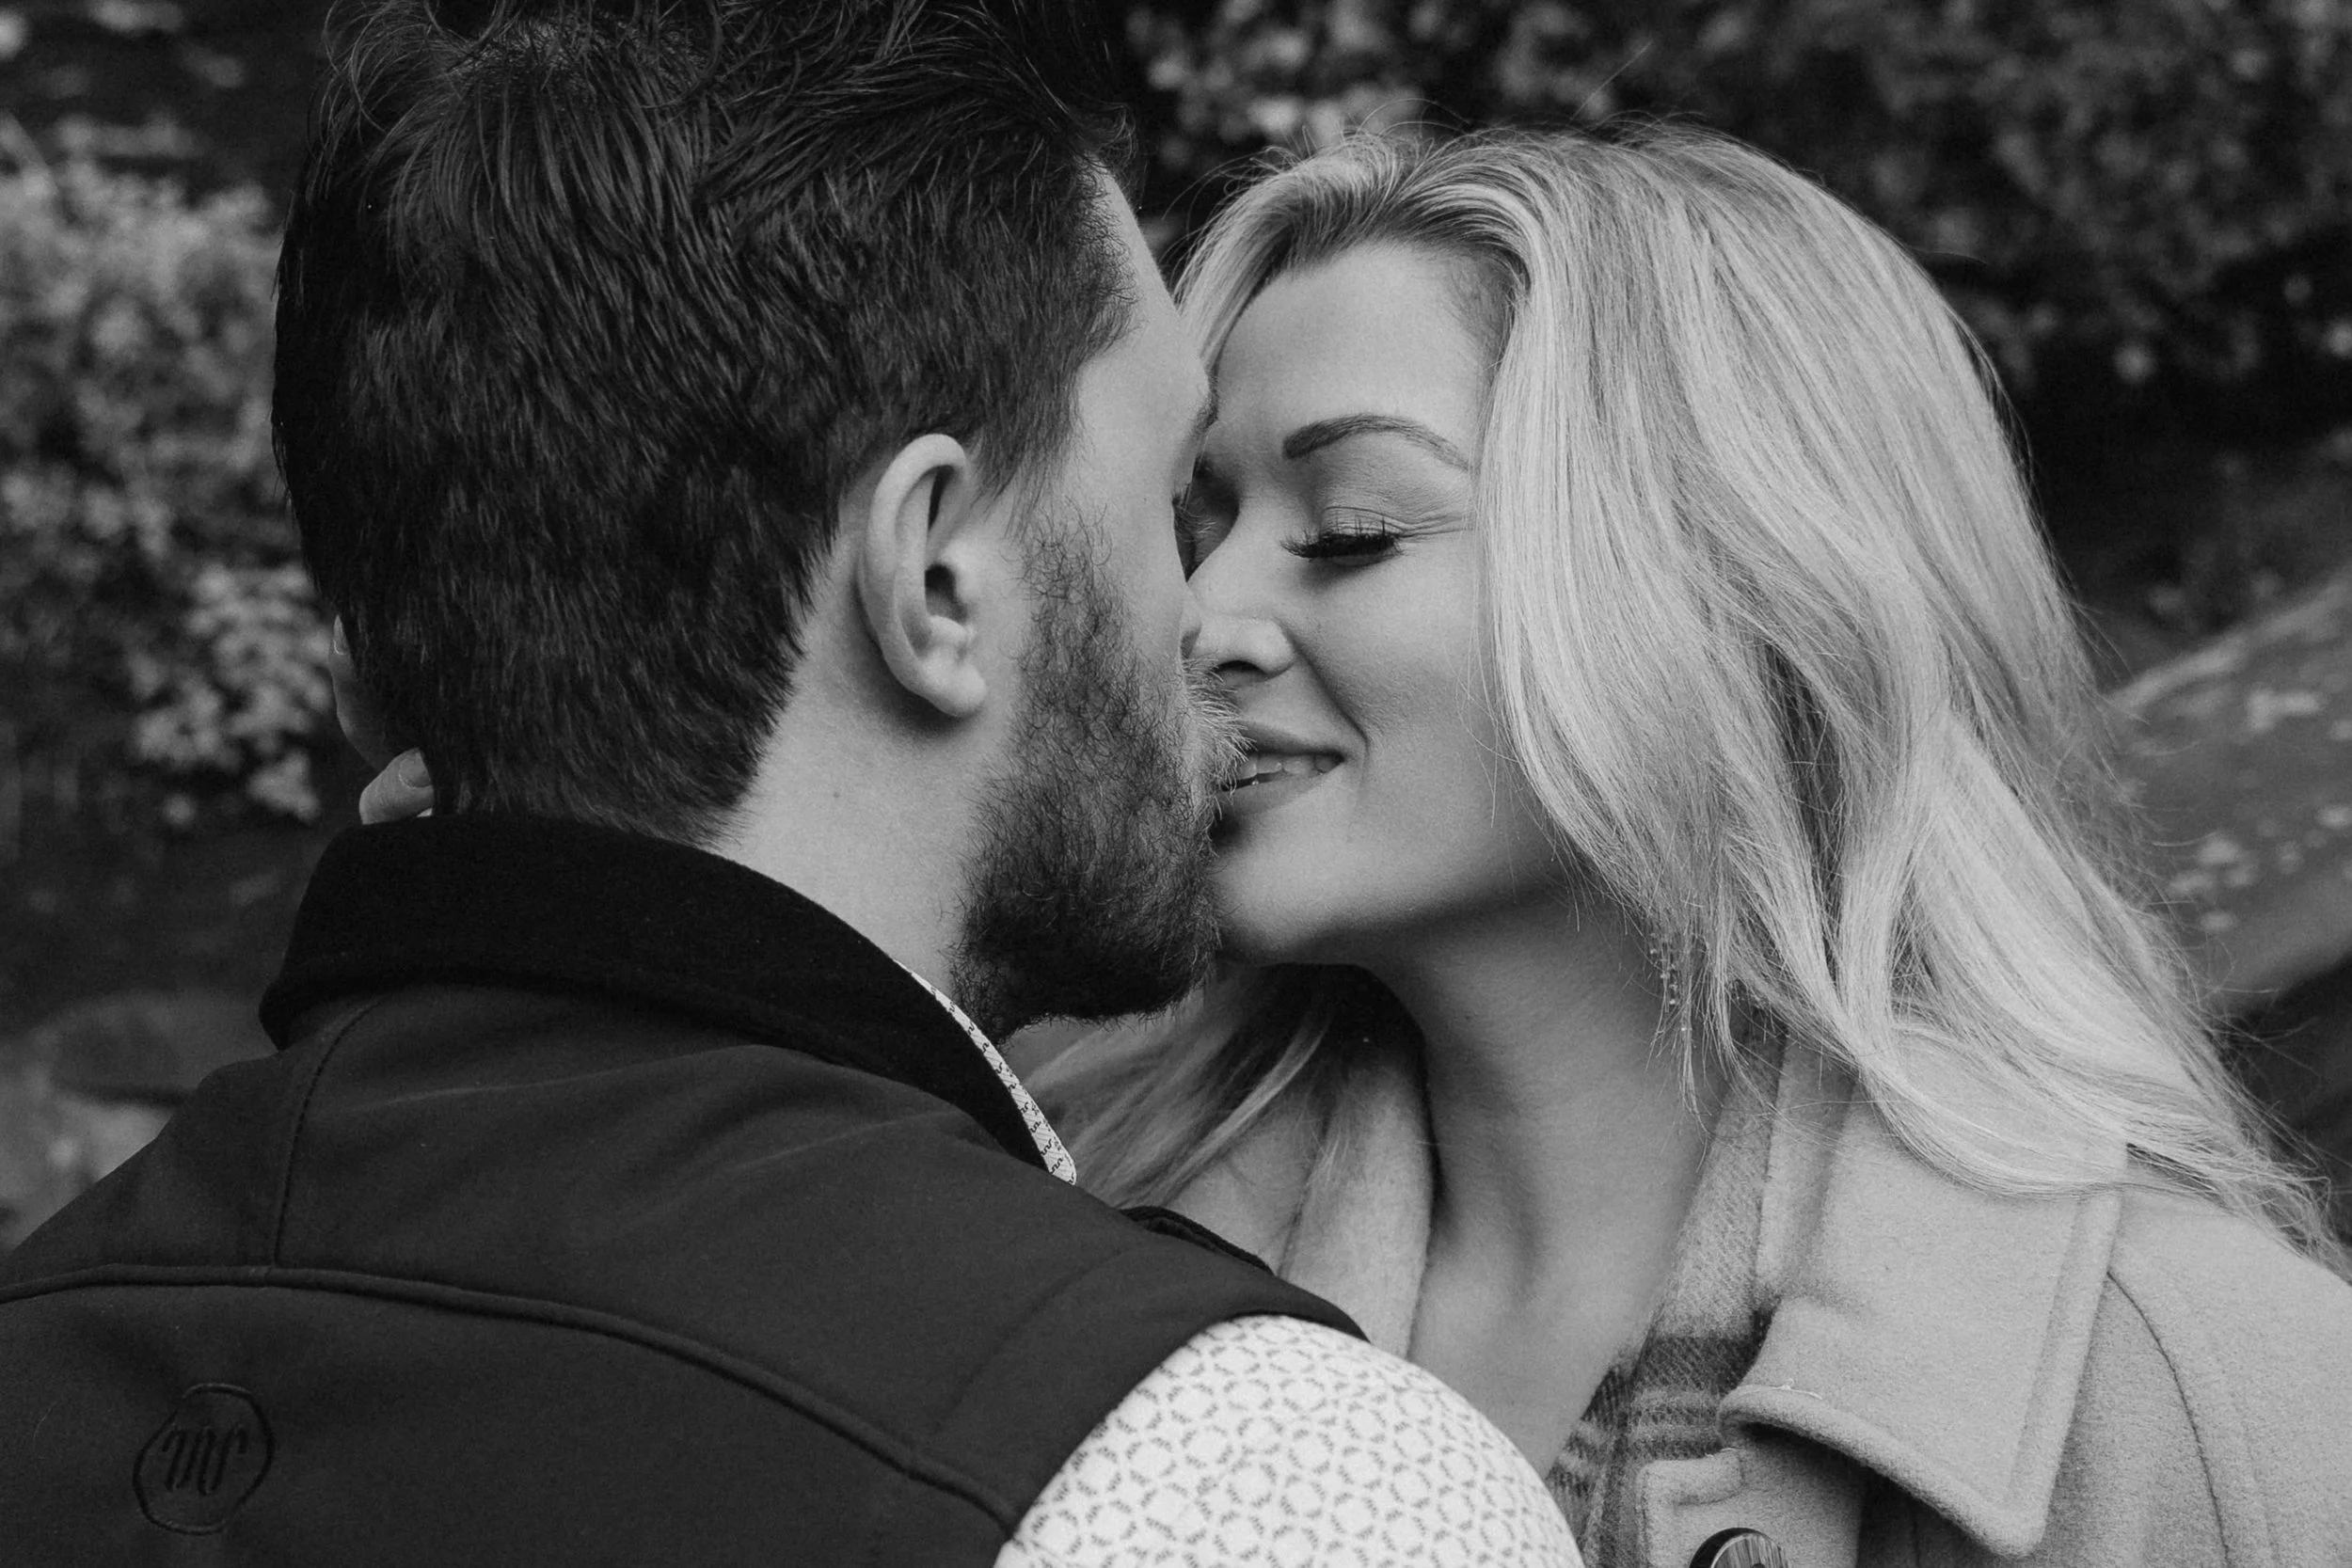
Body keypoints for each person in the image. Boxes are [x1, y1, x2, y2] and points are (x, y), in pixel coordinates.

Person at [0, 7, 1576, 1564]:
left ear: (358, 674)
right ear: (937, 575)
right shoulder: (1257, 1482)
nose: (1206, 619)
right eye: (1167, 499)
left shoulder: (46, 1330)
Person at [1026, 126, 2352, 1567]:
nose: (1201, 615)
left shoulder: (2208, 1392)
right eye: (1196, 526)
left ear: (1727, 588)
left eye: (1349, 528)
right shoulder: (1077, 1274)